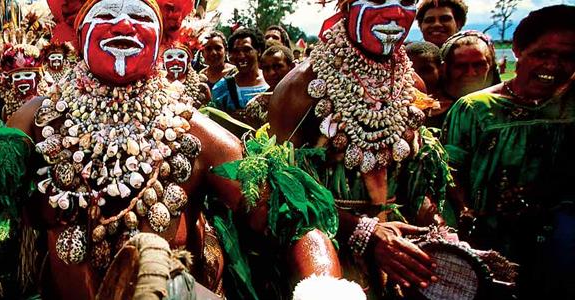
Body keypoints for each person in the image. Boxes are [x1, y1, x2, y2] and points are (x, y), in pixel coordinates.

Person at [0, 0, 360, 298]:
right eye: (109, 11)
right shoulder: (36, 119)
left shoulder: (192, 130)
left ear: (164, 36)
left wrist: (327, 289)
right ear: (77, 31)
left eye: (139, 14)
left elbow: (291, 216)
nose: (124, 25)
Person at [268, 0, 453, 297]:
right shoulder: (300, 89)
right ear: (346, 5)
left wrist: (440, 236)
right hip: (323, 262)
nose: (394, 13)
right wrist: (363, 232)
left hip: (399, 262)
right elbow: (278, 193)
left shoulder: (411, 84)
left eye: (406, 1)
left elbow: (416, 185)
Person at [443, 5, 575, 299]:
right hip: (488, 245)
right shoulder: (475, 110)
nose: (553, 66)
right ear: (518, 50)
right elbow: (447, 174)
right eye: (542, 54)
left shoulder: (570, 108)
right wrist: (466, 211)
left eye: (567, 57)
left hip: (560, 249)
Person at [433, 30, 501, 127]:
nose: (471, 73)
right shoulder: (431, 113)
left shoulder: (504, 111)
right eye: (460, 66)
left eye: (479, 65)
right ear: (445, 68)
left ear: (490, 66)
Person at [210, 28, 269, 119]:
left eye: (247, 50)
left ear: (259, 51)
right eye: (236, 51)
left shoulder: (271, 82)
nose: (241, 56)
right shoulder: (223, 88)